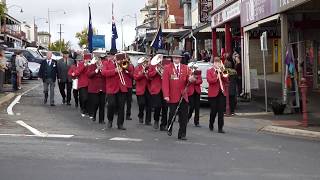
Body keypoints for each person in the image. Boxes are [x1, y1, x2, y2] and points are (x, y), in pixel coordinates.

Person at [162, 54, 195, 140]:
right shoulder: (167, 68)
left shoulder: (185, 67)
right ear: (173, 58)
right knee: (172, 113)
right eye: (175, 57)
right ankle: (169, 127)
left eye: (178, 57)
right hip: (172, 95)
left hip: (183, 95)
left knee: (184, 116)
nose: (176, 59)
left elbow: (190, 78)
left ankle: (182, 134)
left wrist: (191, 79)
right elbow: (165, 83)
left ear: (180, 59)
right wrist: (166, 95)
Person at [102, 53, 128, 130]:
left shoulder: (121, 62)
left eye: (114, 55)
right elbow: (104, 73)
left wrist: (124, 61)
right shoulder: (106, 63)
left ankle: (120, 124)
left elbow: (129, 69)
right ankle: (110, 120)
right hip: (111, 88)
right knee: (111, 105)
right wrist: (114, 70)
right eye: (111, 55)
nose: (113, 57)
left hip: (121, 88)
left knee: (121, 106)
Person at [207, 57, 229, 133]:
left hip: (221, 93)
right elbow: (210, 81)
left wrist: (222, 72)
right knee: (213, 111)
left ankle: (220, 128)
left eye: (219, 62)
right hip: (213, 94)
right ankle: (211, 123)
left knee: (220, 111)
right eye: (216, 62)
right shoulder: (209, 71)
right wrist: (217, 76)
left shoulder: (223, 70)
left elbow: (226, 80)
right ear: (213, 63)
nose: (217, 64)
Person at [148, 54, 168, 129]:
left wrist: (164, 72)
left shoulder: (165, 65)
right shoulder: (152, 65)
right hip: (156, 89)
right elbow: (149, 75)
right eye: (159, 58)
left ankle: (164, 124)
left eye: (161, 58)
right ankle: (156, 120)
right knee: (158, 106)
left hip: (164, 88)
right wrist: (156, 72)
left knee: (165, 107)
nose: (160, 59)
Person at [87, 57, 106, 124]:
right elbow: (89, 75)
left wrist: (102, 70)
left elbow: (106, 75)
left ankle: (101, 120)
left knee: (102, 104)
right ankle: (94, 115)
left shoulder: (104, 66)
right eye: (97, 60)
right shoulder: (92, 66)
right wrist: (97, 70)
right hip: (94, 89)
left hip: (103, 88)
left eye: (100, 60)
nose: (99, 61)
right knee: (96, 103)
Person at [133, 57, 151, 124]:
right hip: (140, 89)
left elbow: (151, 78)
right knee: (141, 104)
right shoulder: (137, 68)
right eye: (144, 62)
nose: (145, 63)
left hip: (148, 89)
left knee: (149, 105)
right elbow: (135, 77)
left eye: (146, 62)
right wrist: (142, 73)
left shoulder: (149, 68)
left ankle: (148, 120)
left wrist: (148, 75)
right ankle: (140, 115)